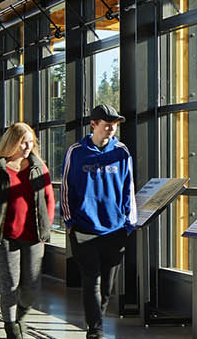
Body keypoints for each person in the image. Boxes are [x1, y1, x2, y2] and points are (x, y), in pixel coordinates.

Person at [0, 122, 55, 339]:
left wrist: (45, 229)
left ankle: (20, 316)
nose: (28, 147)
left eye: (31, 142)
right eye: (23, 142)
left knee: (32, 286)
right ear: (12, 142)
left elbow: (49, 200)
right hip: (4, 238)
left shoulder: (39, 167)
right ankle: (12, 329)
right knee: (10, 285)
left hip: (33, 237)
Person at [64, 104, 137, 339]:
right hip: (84, 228)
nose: (111, 129)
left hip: (115, 229)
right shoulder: (76, 152)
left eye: (114, 126)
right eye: (107, 125)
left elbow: (129, 188)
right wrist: (69, 222)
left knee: (106, 286)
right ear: (93, 125)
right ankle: (95, 330)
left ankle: (97, 323)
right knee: (91, 280)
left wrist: (129, 223)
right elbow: (67, 188)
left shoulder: (122, 152)